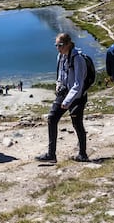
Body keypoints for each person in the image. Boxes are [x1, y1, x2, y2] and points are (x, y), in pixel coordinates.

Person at [36, 32, 89, 163]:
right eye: (56, 45)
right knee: (52, 118)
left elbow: (78, 84)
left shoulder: (78, 59)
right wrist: (58, 85)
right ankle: (51, 154)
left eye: (60, 45)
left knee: (77, 124)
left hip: (77, 97)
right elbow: (60, 75)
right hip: (63, 93)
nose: (58, 48)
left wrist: (67, 101)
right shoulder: (61, 56)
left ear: (68, 44)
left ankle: (83, 154)